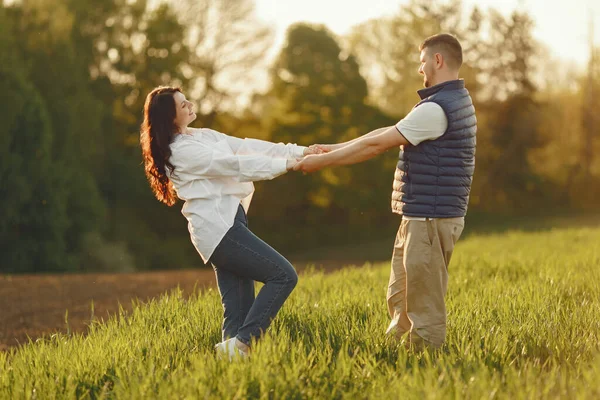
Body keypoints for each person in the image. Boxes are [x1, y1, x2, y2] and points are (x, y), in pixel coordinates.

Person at [295, 33, 477, 350]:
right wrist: (331, 148)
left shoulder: (438, 110)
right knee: (400, 296)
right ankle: (395, 356)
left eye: (423, 63)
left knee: (423, 307)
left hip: (430, 220)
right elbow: (385, 133)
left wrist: (322, 163)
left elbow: (377, 145)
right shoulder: (443, 103)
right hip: (418, 217)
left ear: (438, 60)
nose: (421, 70)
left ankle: (425, 371)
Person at [140, 86, 320, 358]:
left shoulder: (202, 135)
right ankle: (244, 344)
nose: (190, 104)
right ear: (170, 117)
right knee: (283, 275)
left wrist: (301, 151)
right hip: (219, 229)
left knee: (238, 312)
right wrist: (288, 165)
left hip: (228, 224)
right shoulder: (180, 151)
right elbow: (234, 164)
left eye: (187, 100)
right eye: (182, 104)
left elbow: (245, 147)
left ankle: (230, 362)